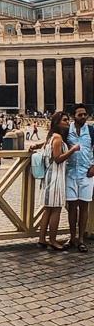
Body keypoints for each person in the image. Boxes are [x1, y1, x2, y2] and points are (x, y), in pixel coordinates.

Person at [32, 111, 80, 250]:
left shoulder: (51, 137)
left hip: (49, 176)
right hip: (56, 177)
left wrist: (36, 146)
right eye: (64, 120)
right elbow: (58, 159)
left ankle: (42, 239)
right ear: (57, 122)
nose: (67, 122)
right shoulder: (58, 138)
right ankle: (52, 240)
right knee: (56, 210)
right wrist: (73, 150)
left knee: (48, 210)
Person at [64, 104, 94, 252]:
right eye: (80, 115)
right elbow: (53, 140)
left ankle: (81, 239)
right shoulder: (66, 130)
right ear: (73, 116)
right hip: (70, 172)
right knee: (71, 207)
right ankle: (72, 237)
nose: (83, 117)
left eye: (85, 114)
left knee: (84, 206)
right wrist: (37, 146)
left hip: (87, 172)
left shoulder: (91, 130)